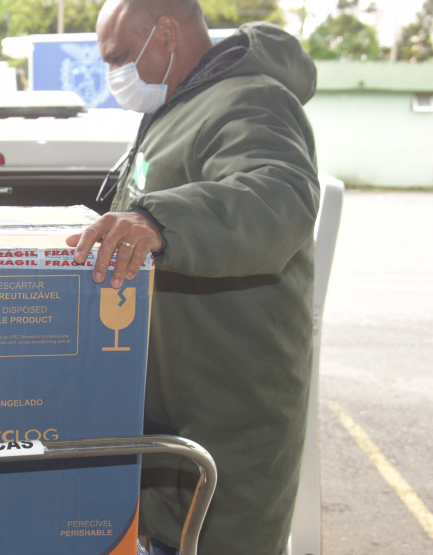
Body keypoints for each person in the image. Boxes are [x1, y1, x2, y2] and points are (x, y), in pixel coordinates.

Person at [67, 1, 320, 554]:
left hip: (227, 411)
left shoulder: (252, 101)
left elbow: (280, 194)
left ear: (166, 35)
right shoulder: (176, 107)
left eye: (119, 58)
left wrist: (157, 220)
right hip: (168, 410)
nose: (113, 75)